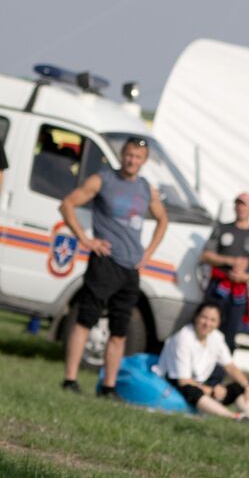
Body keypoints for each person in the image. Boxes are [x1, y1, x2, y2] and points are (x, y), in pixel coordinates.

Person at [58, 137, 169, 395]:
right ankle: (70, 379)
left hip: (130, 268)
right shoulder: (103, 179)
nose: (132, 161)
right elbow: (67, 205)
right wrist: (86, 239)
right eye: (129, 155)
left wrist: (148, 253)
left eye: (138, 157)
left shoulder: (145, 188)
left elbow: (163, 220)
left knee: (120, 331)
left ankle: (108, 386)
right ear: (122, 155)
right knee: (85, 320)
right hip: (105, 262)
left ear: (144, 161)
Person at [154, 301, 249, 427]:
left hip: (201, 383)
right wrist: (211, 390)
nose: (207, 323)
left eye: (212, 320)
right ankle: (233, 417)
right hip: (177, 382)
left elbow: (230, 366)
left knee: (237, 387)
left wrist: (247, 386)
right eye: (204, 318)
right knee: (192, 390)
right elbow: (183, 381)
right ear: (196, 318)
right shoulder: (183, 338)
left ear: (218, 323)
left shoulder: (216, 337)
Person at [200, 191, 249, 353]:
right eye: (238, 204)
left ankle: (219, 371)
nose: (241, 208)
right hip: (218, 287)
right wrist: (229, 261)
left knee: (230, 332)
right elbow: (205, 255)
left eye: (245, 205)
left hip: (238, 291)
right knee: (206, 325)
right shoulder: (222, 229)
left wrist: (246, 277)